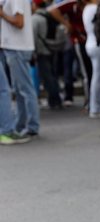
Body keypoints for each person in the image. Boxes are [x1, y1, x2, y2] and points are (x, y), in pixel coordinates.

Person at [0, 0, 40, 137]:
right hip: (16, 46)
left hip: (17, 47)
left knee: (24, 88)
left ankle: (31, 125)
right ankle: (21, 124)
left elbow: (19, 22)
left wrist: (2, 14)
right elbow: (31, 9)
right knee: (19, 88)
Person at [82, 0, 100, 118]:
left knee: (98, 77)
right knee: (99, 78)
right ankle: (96, 108)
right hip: (99, 44)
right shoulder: (95, 8)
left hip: (91, 44)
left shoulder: (87, 9)